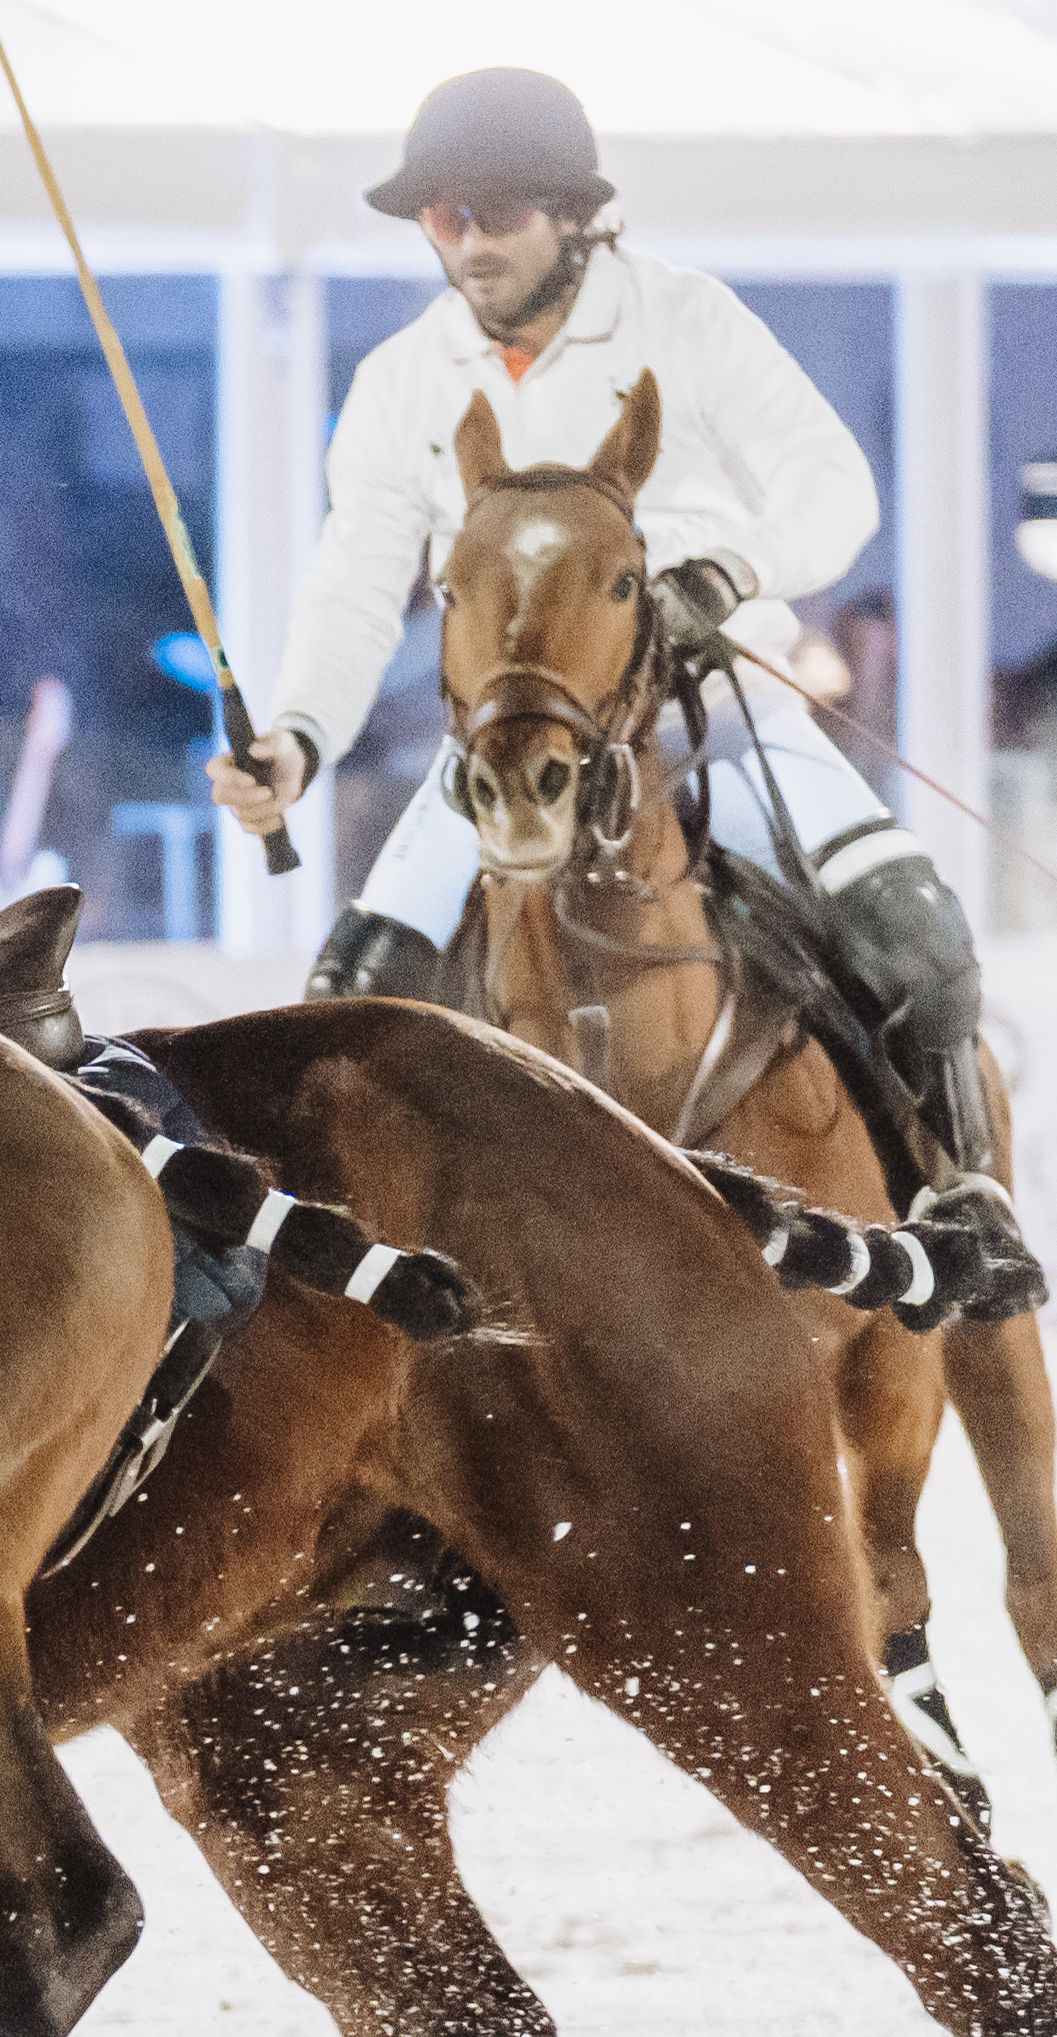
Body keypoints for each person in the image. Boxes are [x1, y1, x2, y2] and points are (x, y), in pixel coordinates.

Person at [213, 66, 1033, 1279]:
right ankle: (354, 1294)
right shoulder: (399, 384)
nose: (469, 242)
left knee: (913, 939)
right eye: (442, 217)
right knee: (353, 987)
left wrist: (722, 567)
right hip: (505, 743)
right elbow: (351, 587)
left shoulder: (684, 320)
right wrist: (292, 737)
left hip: (712, 703)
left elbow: (830, 484)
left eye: (495, 212)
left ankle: (963, 1209)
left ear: (570, 213)